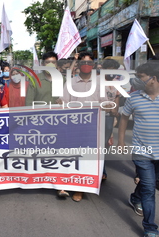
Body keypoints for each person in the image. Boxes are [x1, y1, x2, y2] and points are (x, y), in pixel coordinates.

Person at [59, 51, 108, 201]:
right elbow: (63, 101)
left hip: (91, 127)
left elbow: (104, 104)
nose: (86, 65)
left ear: (93, 66)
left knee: (86, 159)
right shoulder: (71, 82)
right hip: (72, 126)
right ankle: (66, 183)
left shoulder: (99, 83)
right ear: (79, 65)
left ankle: (80, 189)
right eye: (83, 63)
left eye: (89, 63)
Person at [118, 62, 159, 237]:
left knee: (148, 182)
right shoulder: (134, 98)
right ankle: (150, 228)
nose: (137, 80)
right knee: (149, 189)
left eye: (141, 76)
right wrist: (121, 141)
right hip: (142, 152)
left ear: (153, 79)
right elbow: (124, 118)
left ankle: (135, 198)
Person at [101, 59, 120, 180]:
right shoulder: (98, 81)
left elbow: (117, 97)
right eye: (110, 68)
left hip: (110, 117)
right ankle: (101, 170)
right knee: (98, 144)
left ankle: (102, 168)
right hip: (99, 115)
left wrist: (115, 111)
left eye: (114, 69)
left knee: (105, 144)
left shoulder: (116, 82)